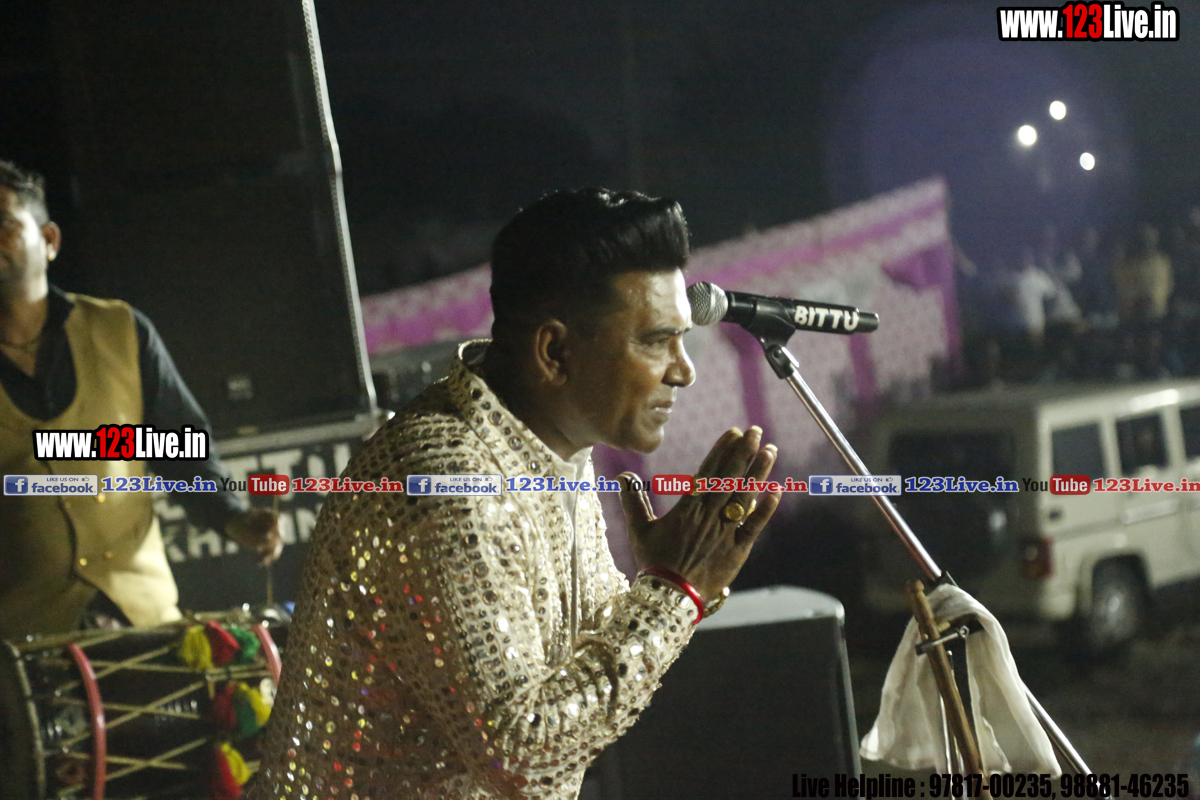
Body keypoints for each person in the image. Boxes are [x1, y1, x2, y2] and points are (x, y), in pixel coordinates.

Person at [248, 188, 782, 799]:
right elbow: (520, 755)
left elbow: (575, 670)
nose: (684, 370)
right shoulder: (449, 482)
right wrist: (673, 591)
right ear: (555, 351)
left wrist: (675, 584)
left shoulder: (548, 448)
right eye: (656, 341)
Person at [0, 159, 282, 640]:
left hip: (143, 623)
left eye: (3, 223)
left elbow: (178, 449)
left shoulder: (121, 331)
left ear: (49, 240)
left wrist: (230, 515)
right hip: (21, 643)